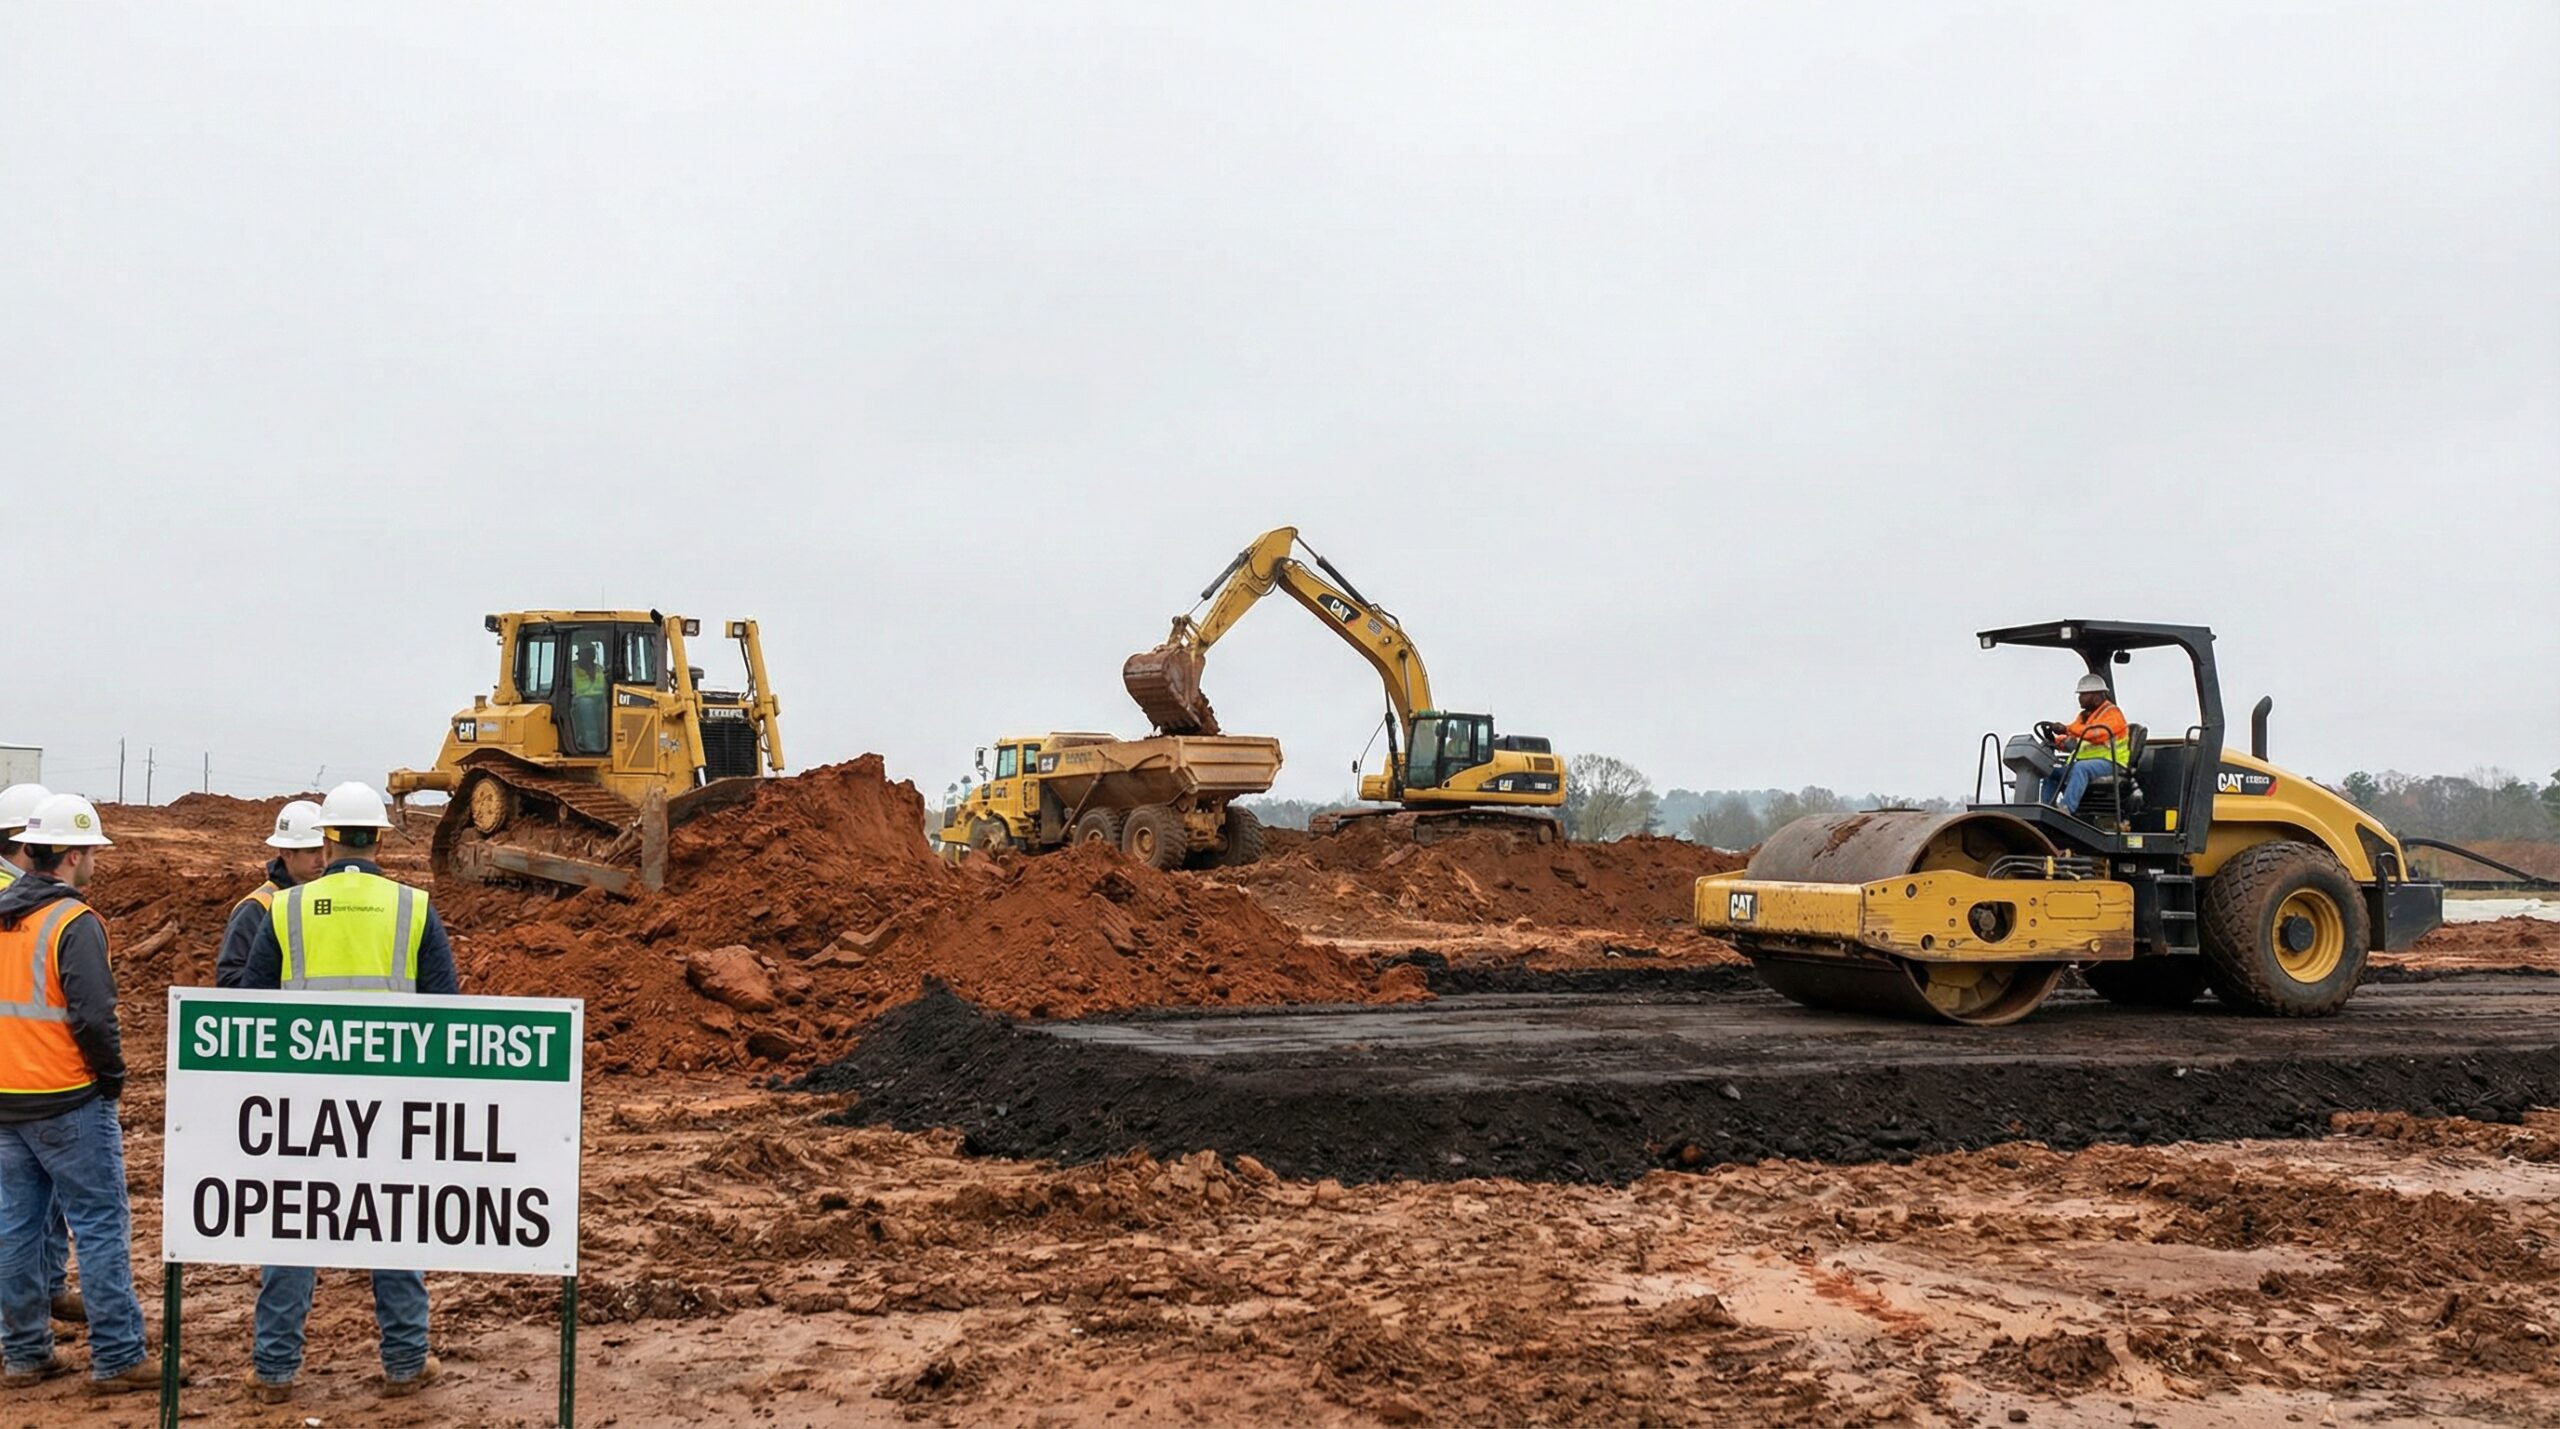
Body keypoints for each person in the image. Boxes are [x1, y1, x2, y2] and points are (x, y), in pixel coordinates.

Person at [233, 782, 459, 1403]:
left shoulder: (286, 910)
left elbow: (250, 1011)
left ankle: (275, 1370)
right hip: (391, 1100)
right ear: (380, 839)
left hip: (303, 1103)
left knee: (292, 1227)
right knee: (392, 1222)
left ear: (327, 841)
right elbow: (448, 1012)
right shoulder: (414, 907)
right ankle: (406, 1362)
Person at [0, 795, 154, 1393]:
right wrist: (110, 1080)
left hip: (8, 1098)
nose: (93, 862)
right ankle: (117, 1356)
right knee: (99, 1224)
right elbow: (95, 1016)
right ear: (71, 855)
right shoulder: (74, 922)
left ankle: (24, 1355)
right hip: (67, 1098)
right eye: (90, 851)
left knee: (15, 1229)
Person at [0, 786, 78, 1331]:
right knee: (27, 1204)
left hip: (16, 1066)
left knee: (28, 1202)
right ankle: (30, 1309)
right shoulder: (19, 896)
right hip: (33, 1069)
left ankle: (43, 1294)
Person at [213, 800, 327, 990]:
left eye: (325, 849)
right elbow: (230, 979)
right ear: (286, 853)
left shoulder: (326, 899)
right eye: (312, 851)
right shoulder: (257, 908)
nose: (322, 859)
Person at [2041, 673, 2131, 815]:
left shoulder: (2113, 714)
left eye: (2084, 694)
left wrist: (2066, 729)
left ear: (2097, 697)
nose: (2079, 698)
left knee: (2080, 768)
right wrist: (2057, 741)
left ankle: (2066, 809)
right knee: (2050, 772)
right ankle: (2046, 809)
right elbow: (2075, 735)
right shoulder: (2084, 716)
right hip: (2087, 762)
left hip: (2112, 762)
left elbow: (2095, 734)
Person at [567, 643, 609, 754]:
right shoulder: (571, 670)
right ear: (579, 655)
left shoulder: (600, 670)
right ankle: (593, 747)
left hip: (599, 700)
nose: (589, 656)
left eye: (591, 653)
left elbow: (605, 687)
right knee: (587, 705)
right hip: (577, 702)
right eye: (586, 653)